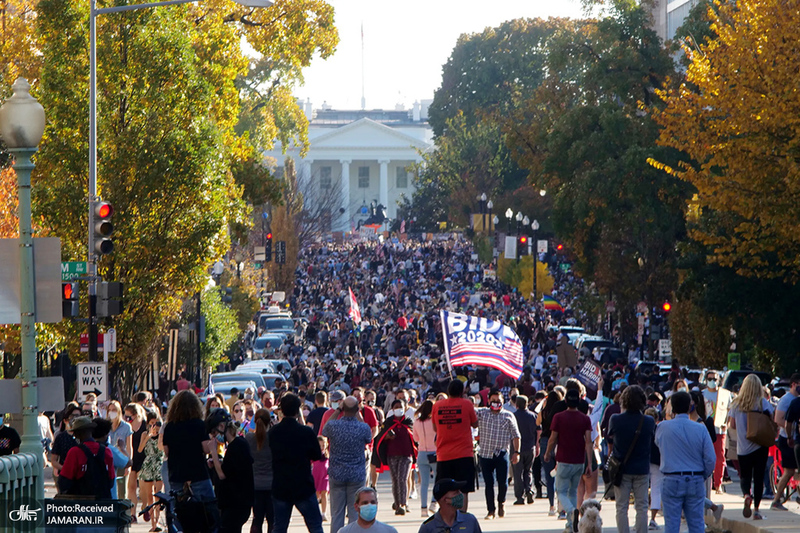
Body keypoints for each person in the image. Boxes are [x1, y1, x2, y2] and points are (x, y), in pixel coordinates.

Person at [655, 391, 716, 533]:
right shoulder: (700, 428)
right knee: (697, 524)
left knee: (671, 524)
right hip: (695, 477)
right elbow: (710, 458)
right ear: (690, 406)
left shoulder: (662, 427)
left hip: (671, 477)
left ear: (672, 407)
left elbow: (658, 445)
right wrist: (702, 475)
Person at [162, 390, 220, 531]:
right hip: (198, 474)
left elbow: (166, 451)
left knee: (178, 514)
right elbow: (206, 448)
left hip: (177, 475)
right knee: (208, 511)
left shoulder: (169, 427)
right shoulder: (199, 425)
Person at [269, 393, 324, 533]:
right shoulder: (305, 432)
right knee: (315, 525)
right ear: (298, 410)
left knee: (279, 527)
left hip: (281, 484)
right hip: (303, 484)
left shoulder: (274, 432)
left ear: (282, 410)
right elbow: (317, 455)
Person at [322, 395, 373, 532]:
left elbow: (324, 429)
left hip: (337, 473)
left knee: (337, 513)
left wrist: (337, 411)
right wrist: (358, 414)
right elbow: (369, 437)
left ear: (342, 408)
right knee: (354, 512)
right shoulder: (362, 427)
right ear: (357, 409)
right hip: (356, 474)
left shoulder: (334, 426)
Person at [608, 386, 655, 533]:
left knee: (621, 506)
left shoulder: (615, 419)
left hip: (622, 469)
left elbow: (610, 437)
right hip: (642, 468)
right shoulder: (649, 421)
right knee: (642, 506)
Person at [544, 388, 592, 533]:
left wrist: (547, 453)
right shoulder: (585, 419)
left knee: (561, 491)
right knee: (573, 492)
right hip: (579, 460)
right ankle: (570, 525)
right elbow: (588, 442)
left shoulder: (559, 417)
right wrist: (589, 463)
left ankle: (571, 510)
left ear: (565, 401)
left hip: (563, 459)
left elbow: (552, 438)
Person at [728, 374, 774, 520]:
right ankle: (756, 510)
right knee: (759, 478)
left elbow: (732, 425)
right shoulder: (762, 403)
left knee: (745, 476)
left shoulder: (736, 403)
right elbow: (771, 420)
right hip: (760, 445)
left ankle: (747, 495)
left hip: (743, 447)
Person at [432, 380, 478, 511]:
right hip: (464, 454)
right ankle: (461, 516)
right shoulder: (467, 404)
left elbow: (435, 428)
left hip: (444, 454)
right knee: (463, 489)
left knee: (444, 489)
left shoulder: (437, 405)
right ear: (462, 391)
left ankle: (447, 514)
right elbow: (475, 424)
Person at [207, 408, 255, 533]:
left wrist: (213, 451)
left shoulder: (236, 447)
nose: (214, 437)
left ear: (222, 426)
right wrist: (218, 462)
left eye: (214, 432)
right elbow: (233, 467)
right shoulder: (239, 444)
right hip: (239, 503)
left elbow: (222, 474)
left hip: (235, 504)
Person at [475, 390, 521, 519]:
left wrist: (516, 452)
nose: (496, 403)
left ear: (503, 401)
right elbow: (469, 413)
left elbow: (516, 436)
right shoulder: (482, 413)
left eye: (498, 401)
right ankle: (491, 510)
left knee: (503, 482)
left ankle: (501, 503)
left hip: (501, 453)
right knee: (488, 484)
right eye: (493, 401)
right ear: (489, 401)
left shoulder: (508, 416)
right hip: (485, 454)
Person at [374, 399, 416, 516]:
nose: (399, 409)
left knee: (403, 478)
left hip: (406, 455)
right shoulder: (388, 422)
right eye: (396, 407)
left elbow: (414, 437)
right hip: (392, 455)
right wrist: (387, 436)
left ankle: (403, 504)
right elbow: (381, 437)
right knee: (395, 480)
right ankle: (397, 504)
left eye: (400, 406)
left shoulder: (409, 421)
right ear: (392, 409)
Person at [57, 416, 115, 498]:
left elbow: (64, 481)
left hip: (80, 501)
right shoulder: (106, 451)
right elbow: (111, 481)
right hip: (103, 501)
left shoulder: (75, 452)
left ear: (77, 434)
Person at [771, 373, 800, 510]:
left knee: (796, 470)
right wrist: (792, 429)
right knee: (789, 471)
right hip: (787, 439)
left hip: (795, 439)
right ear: (793, 384)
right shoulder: (786, 400)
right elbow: (778, 419)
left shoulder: (796, 400)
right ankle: (776, 500)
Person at [246, 408, 275, 533]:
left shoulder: (249, 438)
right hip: (271, 484)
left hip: (255, 484)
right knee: (272, 520)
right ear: (269, 422)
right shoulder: (273, 438)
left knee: (257, 519)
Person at [418, 479, 482, 533]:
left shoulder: (470, 520)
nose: (461, 495)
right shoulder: (428, 527)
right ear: (445, 500)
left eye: (460, 491)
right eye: (456, 493)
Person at [538, 389, 563, 516]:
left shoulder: (544, 412)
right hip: (559, 441)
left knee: (549, 477)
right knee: (561, 476)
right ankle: (561, 504)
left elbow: (537, 423)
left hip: (545, 441)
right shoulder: (562, 412)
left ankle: (551, 506)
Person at [138, 412, 165, 532]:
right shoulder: (144, 434)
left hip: (159, 464)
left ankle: (157, 522)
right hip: (149, 464)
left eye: (156, 423)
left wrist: (160, 436)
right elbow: (140, 449)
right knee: (149, 496)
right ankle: (153, 524)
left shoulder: (162, 434)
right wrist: (148, 436)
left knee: (158, 495)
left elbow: (161, 448)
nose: (154, 426)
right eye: (152, 423)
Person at [702, 371, 727, 493]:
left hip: (719, 429)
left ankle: (718, 484)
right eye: (710, 379)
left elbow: (729, 410)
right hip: (705, 429)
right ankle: (707, 482)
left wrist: (726, 423)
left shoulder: (724, 395)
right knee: (705, 456)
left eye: (715, 379)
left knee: (720, 457)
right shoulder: (702, 394)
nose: (712, 381)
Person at [412, 400, 438, 516]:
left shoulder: (417, 422)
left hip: (422, 453)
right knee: (437, 479)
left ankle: (423, 508)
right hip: (435, 452)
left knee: (424, 483)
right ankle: (434, 502)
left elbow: (416, 438)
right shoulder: (435, 421)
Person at [512, 395, 537, 505]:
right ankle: (529, 490)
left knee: (518, 473)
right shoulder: (533, 416)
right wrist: (537, 444)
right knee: (528, 470)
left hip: (516, 448)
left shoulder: (513, 416)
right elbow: (538, 431)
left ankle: (520, 496)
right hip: (530, 447)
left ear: (516, 404)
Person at [51, 402, 81, 494]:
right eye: (72, 416)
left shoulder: (85, 437)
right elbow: (54, 460)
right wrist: (65, 469)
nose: (75, 419)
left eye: (78, 416)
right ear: (65, 420)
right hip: (65, 477)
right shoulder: (61, 437)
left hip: (82, 477)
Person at [125, 402, 147, 521]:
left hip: (144, 458)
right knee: (131, 487)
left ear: (136, 415)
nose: (127, 418)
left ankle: (145, 506)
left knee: (143, 488)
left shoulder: (145, 425)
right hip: (132, 458)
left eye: (129, 416)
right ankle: (133, 514)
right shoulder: (126, 426)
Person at [314, 437, 330, 521]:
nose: (321, 447)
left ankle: (324, 513)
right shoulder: (314, 454)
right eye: (319, 445)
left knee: (324, 494)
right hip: (316, 476)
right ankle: (316, 512)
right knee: (316, 495)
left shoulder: (327, 455)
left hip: (325, 477)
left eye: (323, 445)